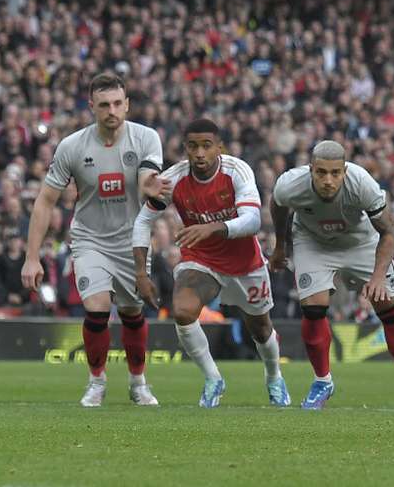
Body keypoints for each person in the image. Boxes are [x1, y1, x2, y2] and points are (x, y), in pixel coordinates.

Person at [21, 73, 171, 407]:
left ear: (127, 104)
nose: (112, 111)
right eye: (104, 105)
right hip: (89, 239)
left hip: (132, 240)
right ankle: (96, 382)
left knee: (132, 313)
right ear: (91, 107)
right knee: (97, 309)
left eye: (118, 103)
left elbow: (148, 175)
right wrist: (32, 257)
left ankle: (138, 383)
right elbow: (45, 201)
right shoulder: (72, 147)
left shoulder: (146, 138)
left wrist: (149, 185)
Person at [269, 140, 394, 411]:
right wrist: (281, 246)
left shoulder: (362, 184)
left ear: (345, 171)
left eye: (335, 173)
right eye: (321, 173)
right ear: (310, 170)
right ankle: (322, 382)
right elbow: (278, 207)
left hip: (360, 243)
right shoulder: (289, 184)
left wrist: (377, 277)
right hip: (313, 241)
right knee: (313, 306)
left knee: (389, 307)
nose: (328, 180)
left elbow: (389, 233)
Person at [132, 119, 290, 408]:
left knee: (261, 330)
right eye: (193, 146)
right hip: (201, 260)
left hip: (245, 263)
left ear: (219, 148)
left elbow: (254, 221)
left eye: (207, 146)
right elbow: (143, 220)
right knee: (182, 311)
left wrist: (213, 227)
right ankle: (213, 377)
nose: (200, 153)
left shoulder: (237, 170)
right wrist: (142, 272)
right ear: (185, 149)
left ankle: (274, 376)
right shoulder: (173, 179)